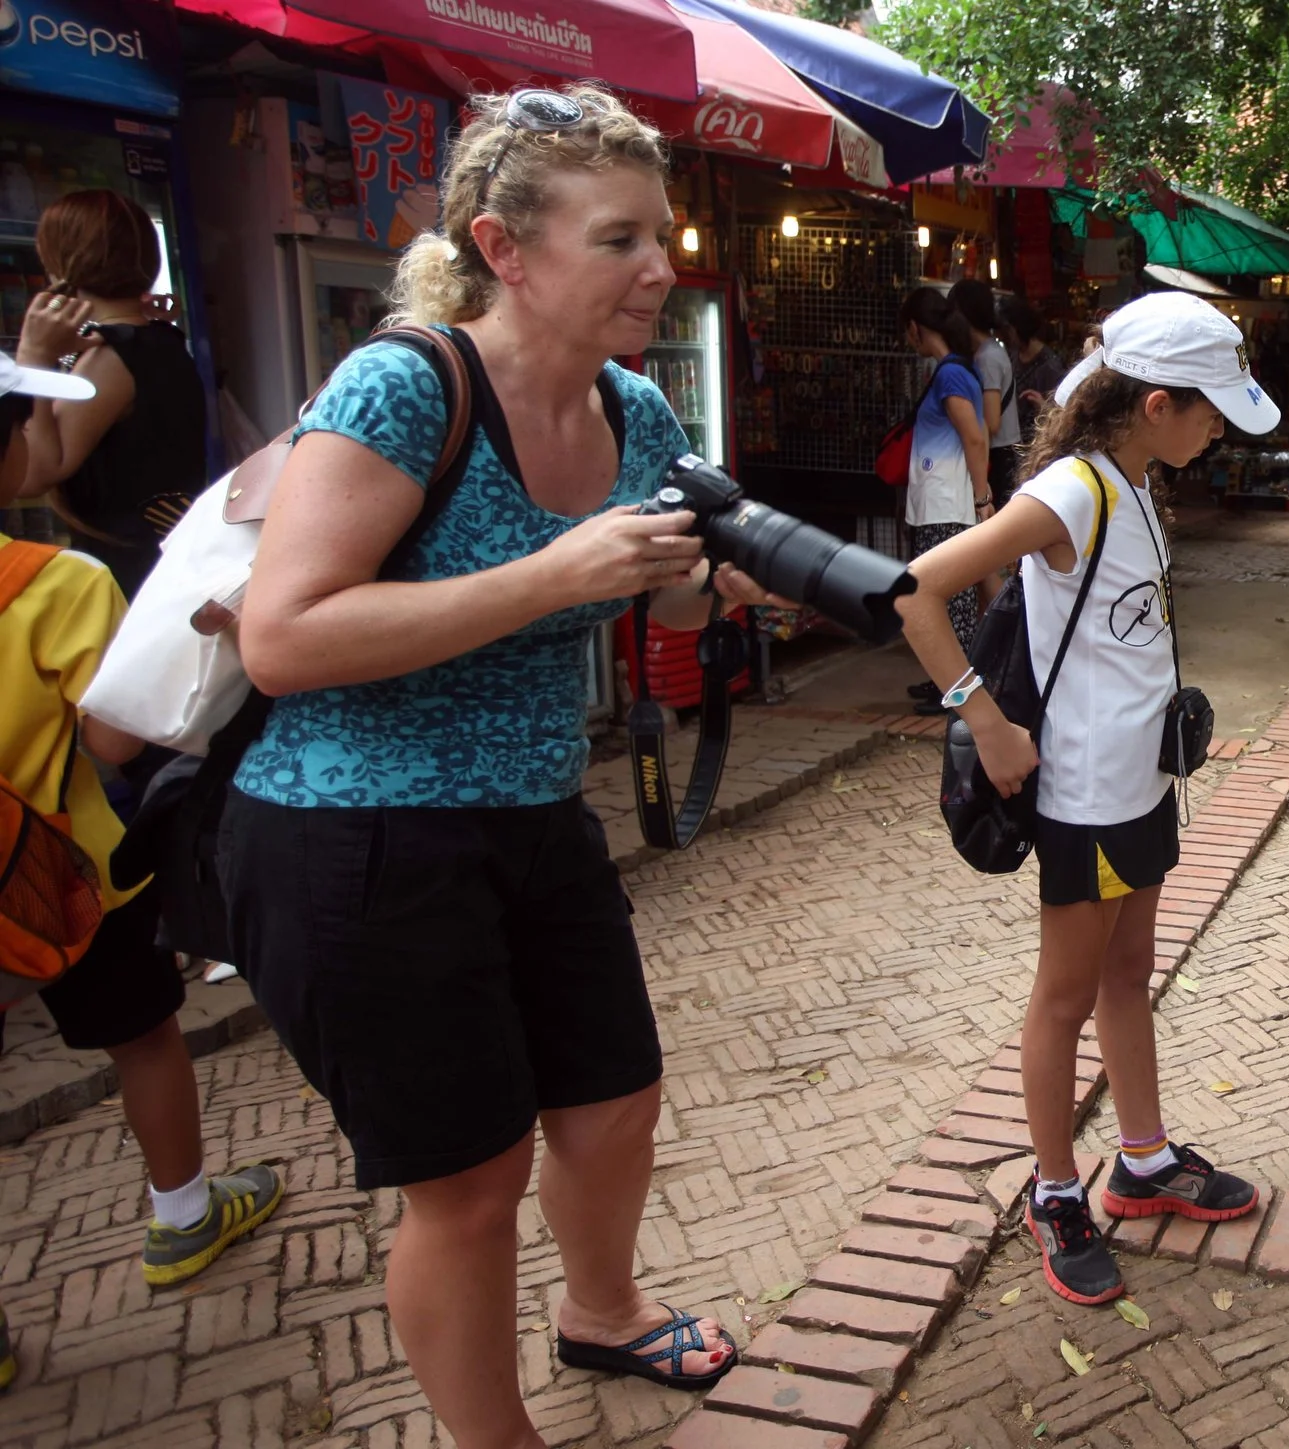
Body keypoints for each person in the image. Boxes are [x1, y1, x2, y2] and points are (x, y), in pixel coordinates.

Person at [224, 86, 776, 1442]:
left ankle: (602, 1311)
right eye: (620, 239)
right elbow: (282, 638)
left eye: (662, 235)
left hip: (536, 819)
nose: (661, 267)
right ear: (507, 248)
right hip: (357, 839)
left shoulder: (637, 413)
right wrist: (548, 575)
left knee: (614, 1101)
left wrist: (709, 588)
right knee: (469, 1181)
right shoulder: (404, 382)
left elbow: (669, 609)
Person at [895, 292, 1272, 1306]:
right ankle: (1056, 1190)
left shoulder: (1135, 482)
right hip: (1085, 795)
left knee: (1129, 969)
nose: (1218, 428)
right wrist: (986, 720)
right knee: (1064, 996)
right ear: (1155, 404)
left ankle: (1141, 1159)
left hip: (1140, 783)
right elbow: (915, 589)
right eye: (1210, 410)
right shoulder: (1071, 491)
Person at [0, 356, 284, 1341]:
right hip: (74, 876)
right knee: (142, 1038)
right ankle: (182, 1217)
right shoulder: (52, 584)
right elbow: (118, 737)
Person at [8, 189, 210, 598]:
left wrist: (34, 356)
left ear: (58, 256)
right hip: (162, 561)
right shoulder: (162, 339)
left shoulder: (113, 356)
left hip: (126, 573)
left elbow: (33, 473)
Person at [899, 286, 991, 711]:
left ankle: (955, 690)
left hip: (947, 504)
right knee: (949, 599)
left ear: (916, 329)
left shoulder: (950, 374)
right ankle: (947, 683)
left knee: (946, 600)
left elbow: (975, 436)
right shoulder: (955, 370)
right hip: (945, 502)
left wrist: (980, 497)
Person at [952, 280, 1021, 502]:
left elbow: (991, 422)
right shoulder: (988, 352)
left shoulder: (987, 357)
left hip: (1000, 457)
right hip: (1003, 455)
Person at [1002, 293, 1068, 430]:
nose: (1004, 336)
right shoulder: (1012, 355)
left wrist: (1043, 407)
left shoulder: (1050, 366)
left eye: (1007, 330)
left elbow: (1061, 414)